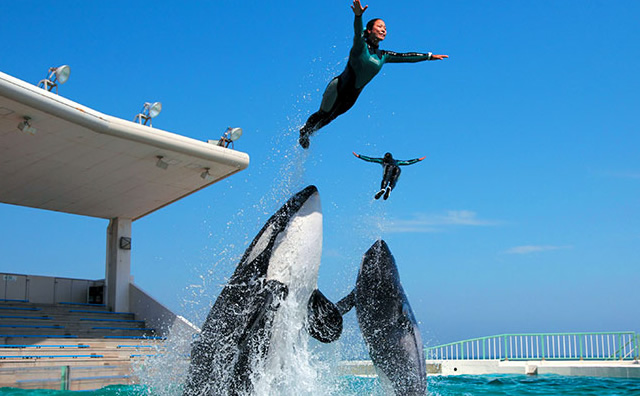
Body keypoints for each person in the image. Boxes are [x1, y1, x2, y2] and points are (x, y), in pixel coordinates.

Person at [299, 0, 448, 149]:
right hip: (338, 87)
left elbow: (405, 57)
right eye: (380, 27)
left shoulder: (384, 55)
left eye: (385, 28)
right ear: (369, 30)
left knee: (330, 118)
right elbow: (357, 32)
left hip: (352, 96)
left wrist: (428, 56)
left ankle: (308, 134)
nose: (384, 30)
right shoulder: (360, 46)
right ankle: (304, 131)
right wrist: (358, 16)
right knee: (323, 113)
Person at [353, 151, 425, 200]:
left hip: (388, 167)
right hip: (398, 169)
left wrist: (359, 156)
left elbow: (370, 159)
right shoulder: (396, 161)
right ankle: (390, 188)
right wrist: (418, 159)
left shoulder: (382, 160)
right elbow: (408, 162)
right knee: (394, 181)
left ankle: (383, 189)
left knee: (386, 178)